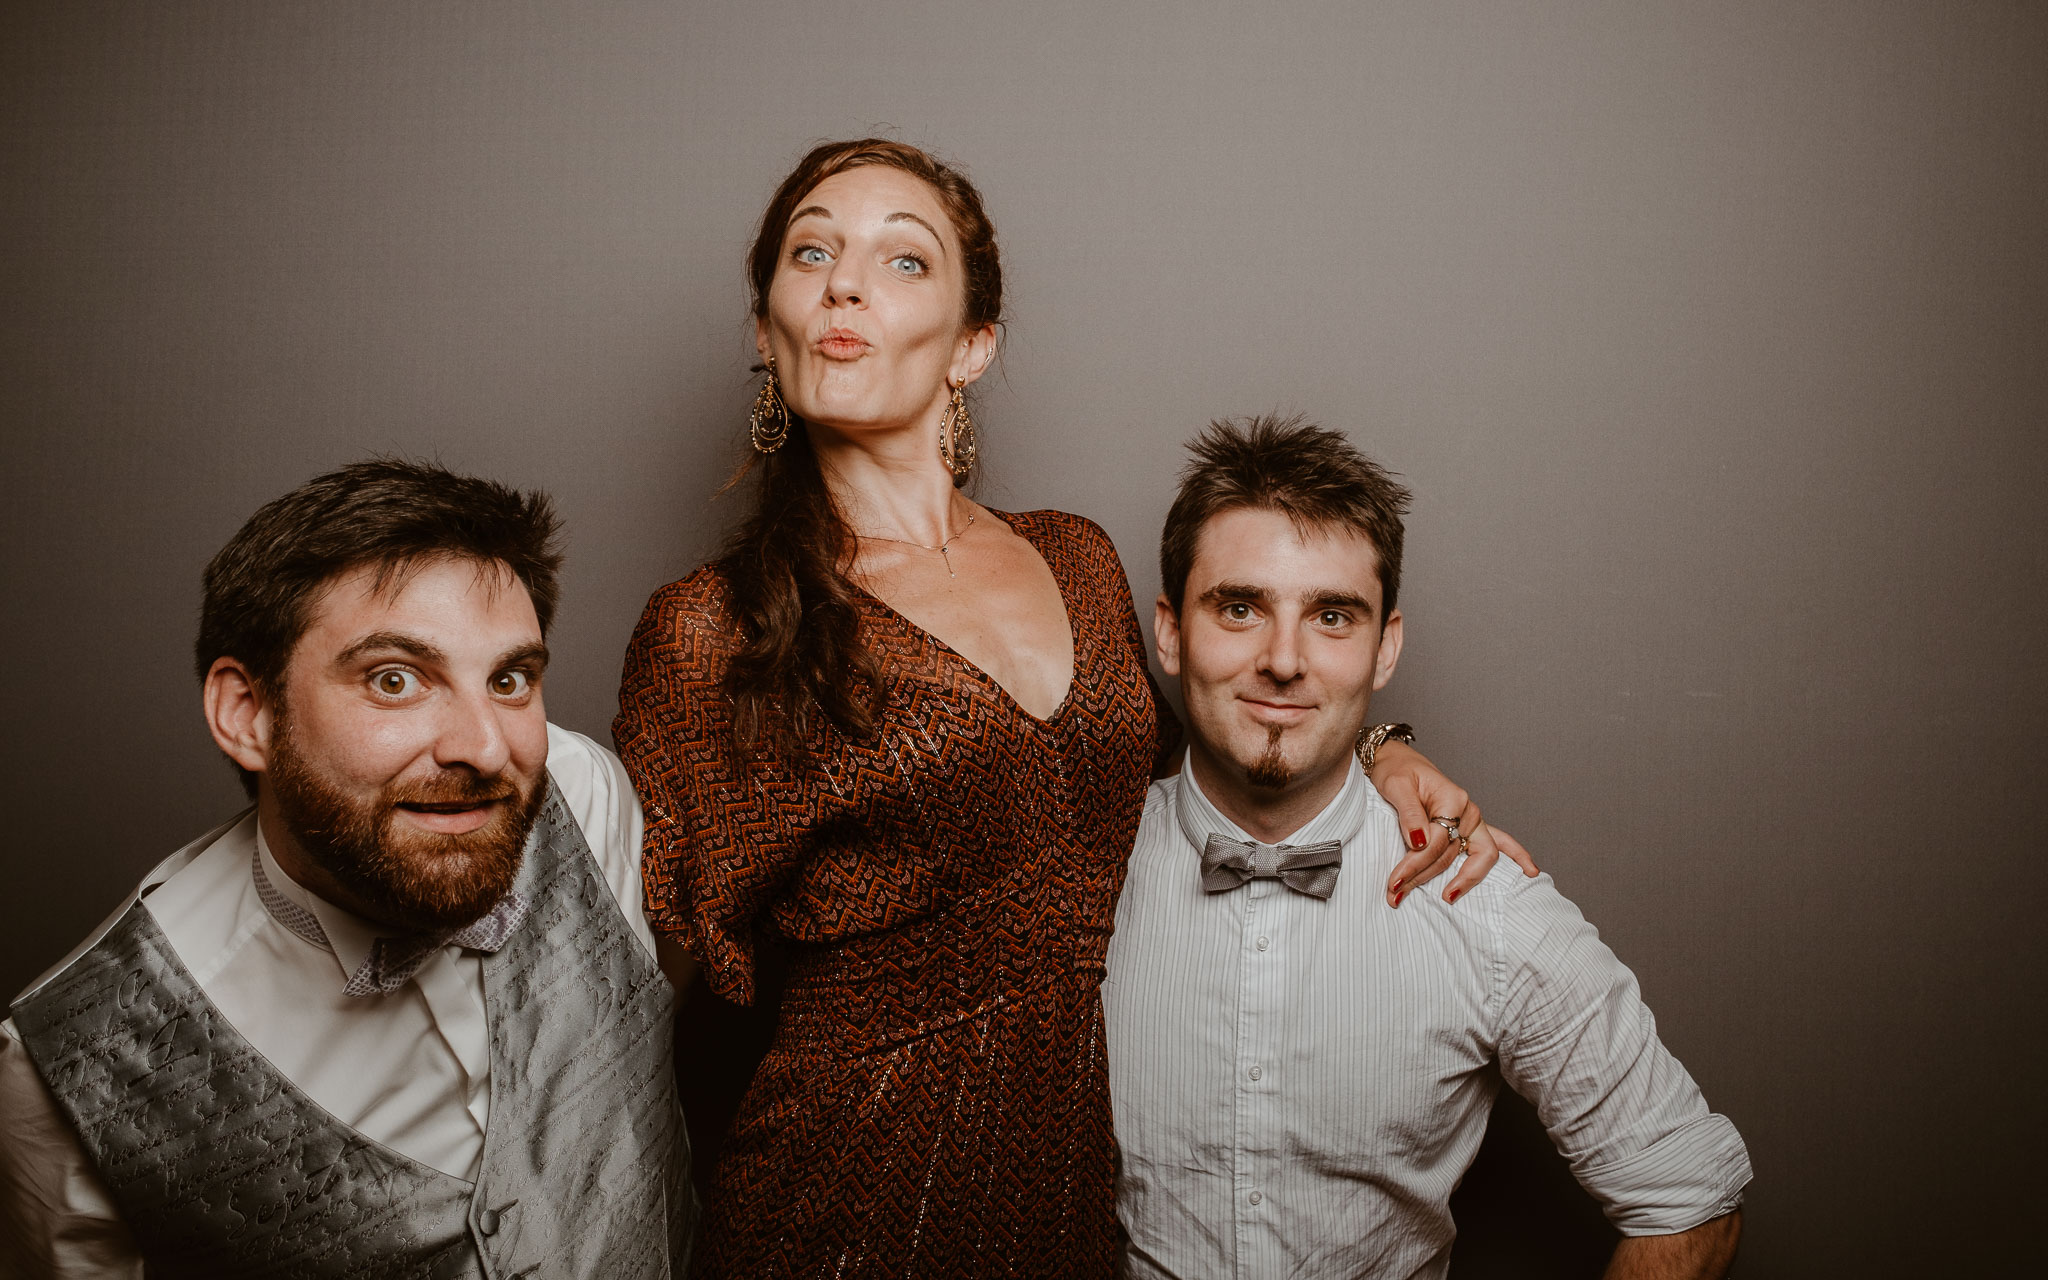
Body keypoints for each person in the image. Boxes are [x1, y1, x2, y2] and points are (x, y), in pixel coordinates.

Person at [613, 139, 1531, 1278]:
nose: (844, 282)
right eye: (811, 252)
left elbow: (1220, 735)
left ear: (972, 345)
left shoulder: (1076, 560)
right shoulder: (711, 627)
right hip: (841, 1183)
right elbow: (648, 984)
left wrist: (1386, 752)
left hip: (1066, 1182)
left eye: (902, 260)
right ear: (768, 327)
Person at [0, 460, 695, 1279]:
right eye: (395, 679)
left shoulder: (583, 793)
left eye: (509, 679)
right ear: (248, 715)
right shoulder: (67, 1066)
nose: (481, 746)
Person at [1102, 415, 1752, 1279]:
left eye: (1333, 616)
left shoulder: (1483, 901)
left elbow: (1690, 1198)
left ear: (1385, 648)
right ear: (1172, 632)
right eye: (1240, 607)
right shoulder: (1070, 876)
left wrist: (1381, 746)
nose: (1285, 659)